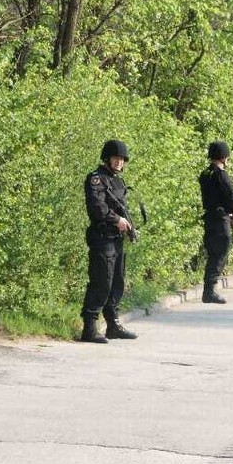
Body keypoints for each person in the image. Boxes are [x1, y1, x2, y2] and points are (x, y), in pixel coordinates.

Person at [80, 140, 138, 343]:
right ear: (107, 158)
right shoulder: (96, 179)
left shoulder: (118, 182)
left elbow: (122, 207)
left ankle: (112, 324)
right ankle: (89, 327)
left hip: (116, 239)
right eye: (116, 158)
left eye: (122, 159)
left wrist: (128, 227)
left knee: (117, 281)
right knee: (101, 282)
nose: (119, 162)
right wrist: (117, 220)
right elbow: (97, 208)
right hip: (102, 237)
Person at [199, 141, 233, 303]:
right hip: (221, 218)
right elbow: (231, 197)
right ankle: (210, 290)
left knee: (213, 252)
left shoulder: (205, 174)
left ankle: (209, 289)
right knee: (220, 252)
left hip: (209, 217)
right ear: (223, 157)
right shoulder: (221, 175)